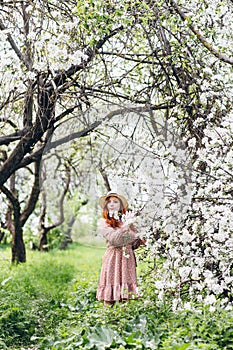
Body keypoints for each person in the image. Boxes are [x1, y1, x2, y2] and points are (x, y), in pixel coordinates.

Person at [96, 191, 146, 306]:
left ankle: (125, 320)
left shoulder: (126, 221)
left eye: (115, 202)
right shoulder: (104, 223)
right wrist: (126, 227)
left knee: (126, 295)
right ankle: (108, 319)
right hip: (113, 258)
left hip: (127, 259)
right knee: (110, 296)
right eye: (109, 202)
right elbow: (115, 240)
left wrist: (141, 236)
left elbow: (134, 242)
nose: (112, 204)